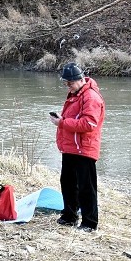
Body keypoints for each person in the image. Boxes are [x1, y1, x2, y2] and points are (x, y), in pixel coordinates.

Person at [49, 62, 105, 232]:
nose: (68, 86)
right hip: (71, 148)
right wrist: (62, 120)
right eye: (66, 83)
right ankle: (69, 216)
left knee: (86, 187)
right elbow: (75, 118)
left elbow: (89, 123)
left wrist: (62, 122)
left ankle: (89, 223)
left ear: (80, 80)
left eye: (70, 83)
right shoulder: (75, 94)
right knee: (68, 183)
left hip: (84, 149)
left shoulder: (91, 97)